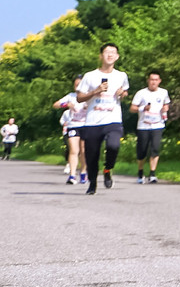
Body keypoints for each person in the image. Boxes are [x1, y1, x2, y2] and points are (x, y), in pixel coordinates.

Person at [75, 44, 129, 195]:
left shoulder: (121, 75)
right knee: (91, 155)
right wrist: (95, 91)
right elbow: (79, 98)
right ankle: (92, 183)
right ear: (100, 56)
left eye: (113, 52)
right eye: (106, 52)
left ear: (117, 57)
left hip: (113, 119)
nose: (110, 55)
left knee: (113, 145)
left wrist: (122, 94)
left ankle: (107, 169)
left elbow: (125, 92)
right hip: (93, 121)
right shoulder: (90, 76)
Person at [131, 71, 170, 183]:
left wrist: (165, 108)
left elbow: (166, 103)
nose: (153, 82)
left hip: (158, 124)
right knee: (142, 151)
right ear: (148, 81)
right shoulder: (141, 93)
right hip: (143, 125)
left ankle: (152, 174)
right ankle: (140, 172)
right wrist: (143, 108)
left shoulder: (163, 92)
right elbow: (132, 108)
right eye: (152, 80)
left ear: (159, 81)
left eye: (156, 80)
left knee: (155, 148)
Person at [54, 87, 89, 185]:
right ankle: (72, 175)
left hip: (86, 125)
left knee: (83, 151)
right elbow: (55, 104)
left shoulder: (89, 95)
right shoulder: (71, 96)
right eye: (75, 84)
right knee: (73, 150)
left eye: (79, 84)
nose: (77, 87)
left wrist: (88, 107)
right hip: (73, 126)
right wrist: (66, 104)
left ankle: (83, 173)